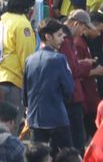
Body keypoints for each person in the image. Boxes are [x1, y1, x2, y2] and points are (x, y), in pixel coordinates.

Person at [23, 19, 75, 152]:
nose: (62, 39)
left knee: (37, 156)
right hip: (56, 117)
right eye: (59, 35)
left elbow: (25, 92)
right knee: (66, 156)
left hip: (35, 119)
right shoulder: (59, 59)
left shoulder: (29, 60)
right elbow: (69, 89)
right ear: (48, 36)